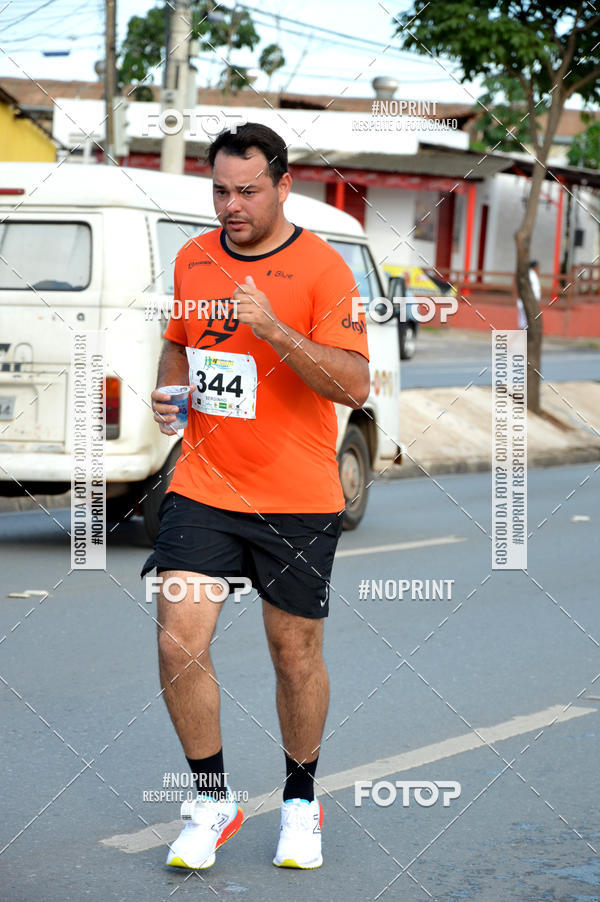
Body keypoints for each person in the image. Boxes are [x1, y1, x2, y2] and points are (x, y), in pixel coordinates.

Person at [141, 122, 370, 871]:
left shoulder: (324, 269)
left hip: (297, 495)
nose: (230, 205)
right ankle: (211, 798)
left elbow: (353, 384)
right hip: (204, 483)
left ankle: (301, 803)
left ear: (282, 186)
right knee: (178, 639)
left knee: (292, 651)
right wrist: (171, 388)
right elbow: (180, 338)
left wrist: (274, 330)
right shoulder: (194, 258)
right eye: (219, 191)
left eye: (246, 191)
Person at [517, 260, 541, 329]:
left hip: (530, 300)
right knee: (524, 319)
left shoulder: (533, 274)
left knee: (526, 318)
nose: (538, 268)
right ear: (534, 267)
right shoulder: (529, 274)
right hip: (526, 300)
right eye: (537, 266)